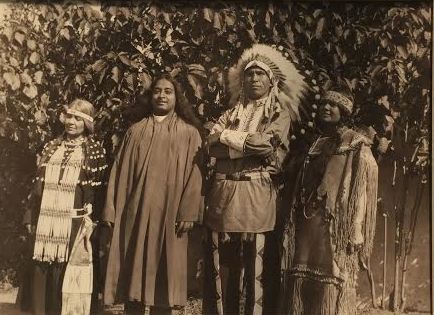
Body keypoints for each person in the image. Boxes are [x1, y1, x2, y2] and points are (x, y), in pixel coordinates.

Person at [202, 44, 307, 315]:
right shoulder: (232, 113)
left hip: (257, 194)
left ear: (271, 80)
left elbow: (266, 146)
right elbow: (209, 146)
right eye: (249, 74)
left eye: (260, 74)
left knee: (257, 265)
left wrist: (226, 137)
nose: (254, 79)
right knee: (223, 262)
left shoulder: (278, 113)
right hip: (223, 192)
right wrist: (240, 142)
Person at [102, 74, 204, 315]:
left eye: (168, 91)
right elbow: (117, 172)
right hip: (135, 213)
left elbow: (196, 175)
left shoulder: (189, 133)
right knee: (132, 276)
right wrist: (110, 208)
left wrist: (188, 211)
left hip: (170, 216)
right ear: (150, 96)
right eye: (157, 91)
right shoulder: (135, 132)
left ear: (177, 97)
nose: (162, 95)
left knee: (164, 277)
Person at [280, 89, 379, 315]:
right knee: (302, 271)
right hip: (307, 220)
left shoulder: (354, 141)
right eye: (323, 104)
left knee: (332, 274)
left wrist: (357, 227)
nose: (326, 108)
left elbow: (360, 189)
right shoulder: (315, 142)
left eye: (333, 105)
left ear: (343, 112)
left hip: (334, 224)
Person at [19, 99, 107, 315]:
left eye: (78, 118)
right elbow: (36, 187)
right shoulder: (51, 146)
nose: (72, 122)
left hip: (75, 224)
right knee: (42, 271)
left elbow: (98, 193)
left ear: (87, 122)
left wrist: (92, 223)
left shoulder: (94, 151)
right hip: (45, 224)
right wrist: (30, 217)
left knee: (68, 278)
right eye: (69, 116)